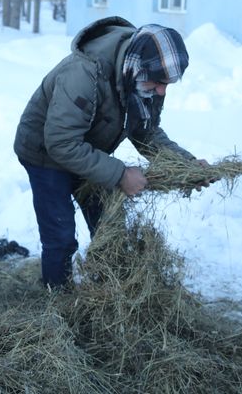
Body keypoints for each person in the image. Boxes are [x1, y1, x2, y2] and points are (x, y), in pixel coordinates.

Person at [13, 16, 209, 288]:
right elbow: (61, 142)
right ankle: (57, 299)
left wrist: (184, 164)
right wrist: (119, 174)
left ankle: (109, 295)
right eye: (159, 82)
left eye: (168, 84)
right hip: (46, 152)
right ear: (136, 68)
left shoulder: (143, 77)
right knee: (61, 235)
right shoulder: (84, 74)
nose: (162, 90)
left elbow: (145, 130)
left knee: (110, 226)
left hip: (87, 148)